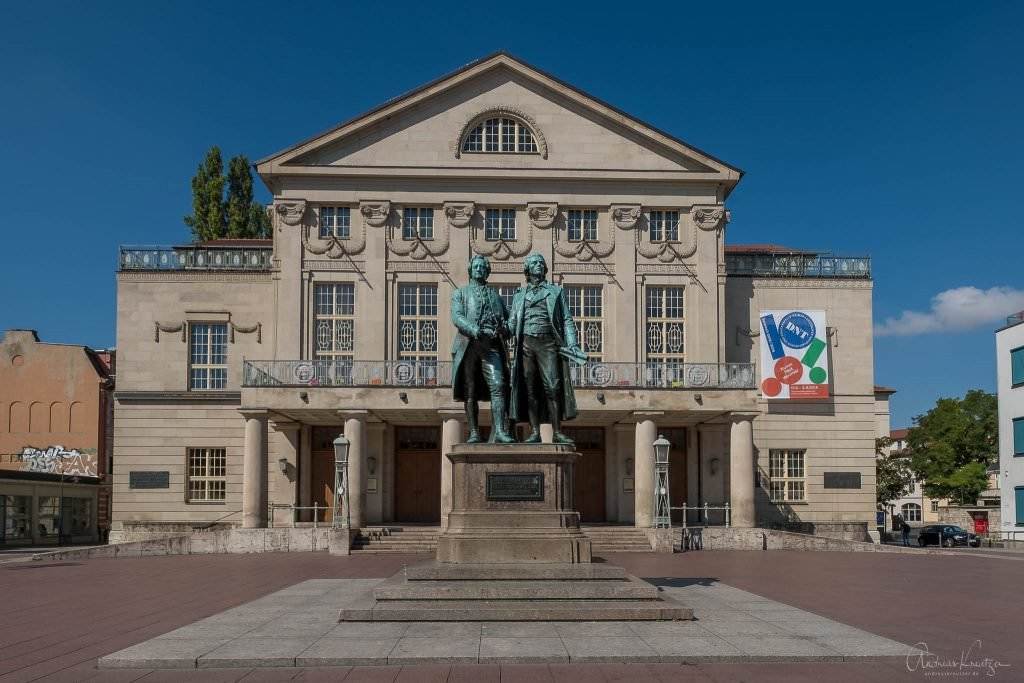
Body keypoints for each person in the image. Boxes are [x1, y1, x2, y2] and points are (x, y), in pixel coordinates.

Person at [505, 253, 586, 444]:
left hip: (548, 342)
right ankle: (535, 432)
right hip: (526, 344)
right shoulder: (519, 295)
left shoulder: (556, 291)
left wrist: (572, 343)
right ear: (527, 269)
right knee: (530, 389)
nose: (539, 265)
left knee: (553, 386)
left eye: (541, 263)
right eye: (534, 263)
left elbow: (566, 319)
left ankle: (557, 431)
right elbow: (512, 324)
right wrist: (498, 329)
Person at [450, 255, 515, 443]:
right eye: (476, 267)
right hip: (468, 345)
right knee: (470, 391)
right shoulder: (460, 293)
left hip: (492, 346)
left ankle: (501, 431)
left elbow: (508, 320)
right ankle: (474, 432)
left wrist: (505, 329)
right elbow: (457, 317)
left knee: (499, 385)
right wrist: (474, 329)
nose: (479, 269)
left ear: (487, 271)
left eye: (482, 267)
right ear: (470, 270)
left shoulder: (495, 295)